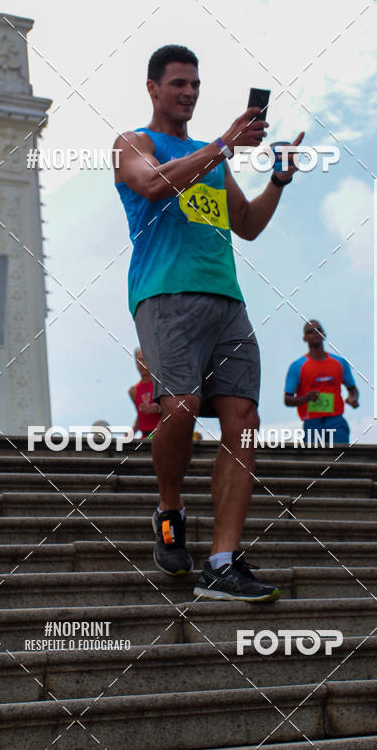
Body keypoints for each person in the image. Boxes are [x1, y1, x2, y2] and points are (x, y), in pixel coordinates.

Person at [113, 43, 304, 601]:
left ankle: (222, 561)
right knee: (180, 407)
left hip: (227, 299)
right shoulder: (134, 143)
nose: (189, 92)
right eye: (178, 84)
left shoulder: (211, 158)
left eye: (195, 84)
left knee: (242, 417)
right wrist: (223, 145)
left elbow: (247, 225)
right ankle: (169, 509)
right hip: (164, 295)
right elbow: (152, 184)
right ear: (153, 88)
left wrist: (278, 183)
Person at [284, 320, 359, 445]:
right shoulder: (297, 366)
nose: (315, 333)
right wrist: (306, 398)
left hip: (336, 421)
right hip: (312, 424)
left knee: (339, 461)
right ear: (304, 338)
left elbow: (353, 390)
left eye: (318, 330)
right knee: (316, 462)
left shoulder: (339, 363)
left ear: (324, 334)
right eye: (310, 331)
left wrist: (353, 398)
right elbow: (287, 399)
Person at [129, 347, 161, 438]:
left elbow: (171, 411)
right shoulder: (133, 391)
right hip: (145, 438)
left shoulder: (160, 385)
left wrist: (157, 409)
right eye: (138, 361)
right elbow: (140, 417)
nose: (141, 364)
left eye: (144, 360)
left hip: (162, 437)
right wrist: (130, 434)